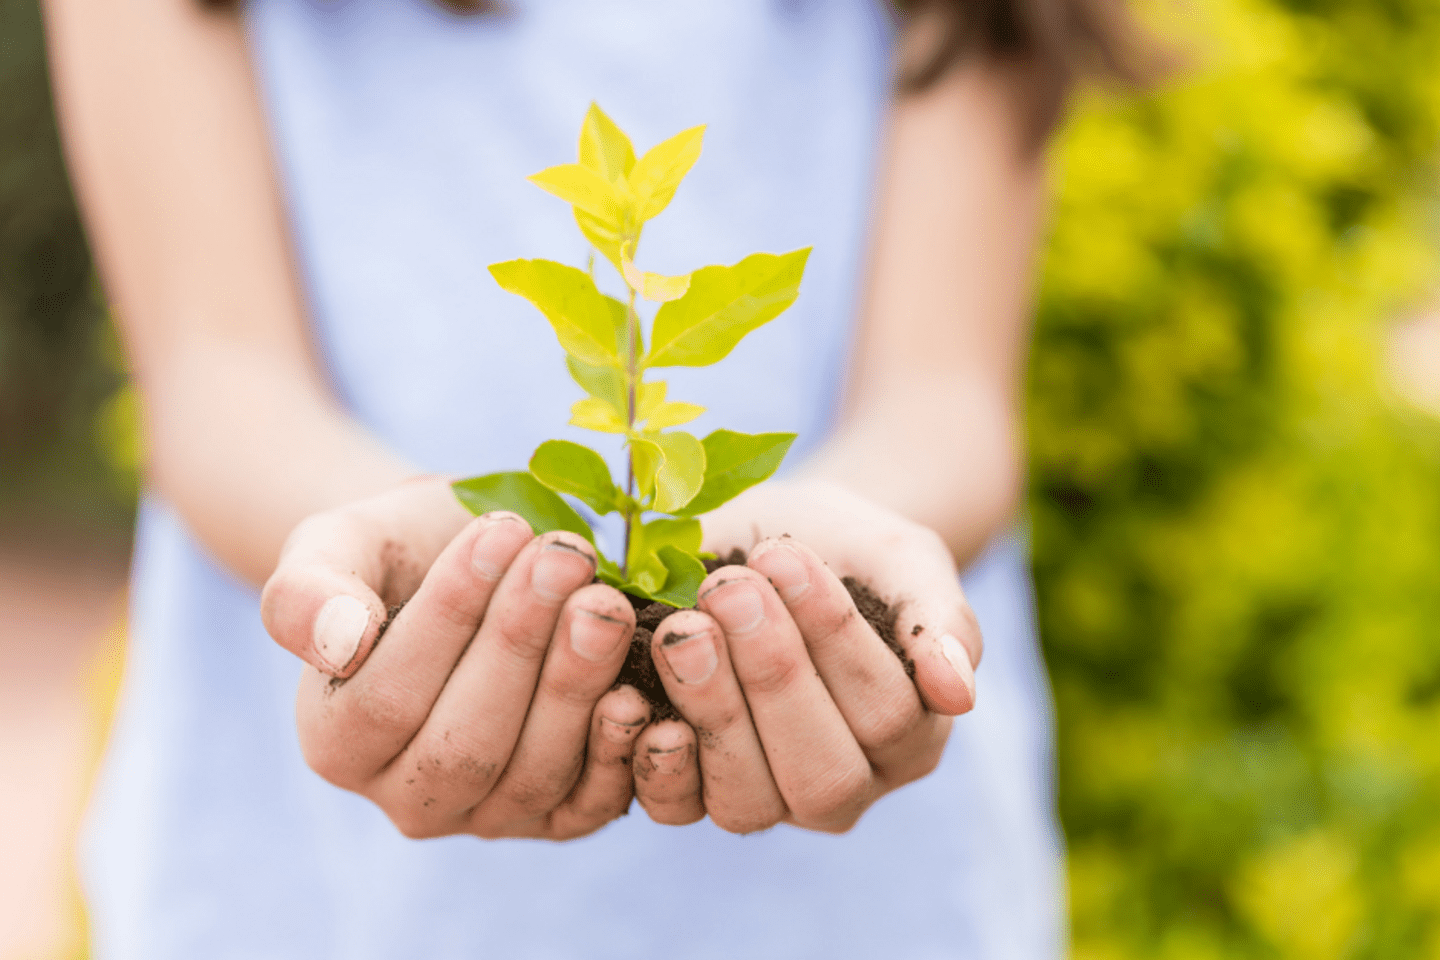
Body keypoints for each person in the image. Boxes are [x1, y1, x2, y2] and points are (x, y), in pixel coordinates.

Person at [44, 0, 1143, 955]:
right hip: (316, 900)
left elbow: (945, 399)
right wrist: (393, 574)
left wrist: (817, 554)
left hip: (871, 915)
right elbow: (215, 379)